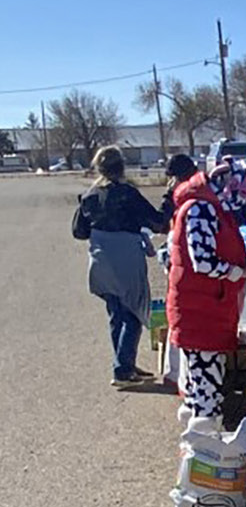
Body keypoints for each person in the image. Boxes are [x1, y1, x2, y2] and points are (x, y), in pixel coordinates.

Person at [166, 159, 246, 425]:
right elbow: (203, 262)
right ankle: (204, 449)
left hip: (205, 306)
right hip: (202, 310)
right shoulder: (202, 209)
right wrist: (242, 273)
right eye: (243, 195)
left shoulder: (208, 207)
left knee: (199, 387)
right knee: (206, 391)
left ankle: (197, 441)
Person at [71, 146, 169, 387]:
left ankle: (123, 363)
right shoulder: (127, 193)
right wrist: (169, 198)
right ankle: (122, 370)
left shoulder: (90, 195)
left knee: (116, 314)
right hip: (125, 259)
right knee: (133, 314)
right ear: (121, 167)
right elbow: (157, 222)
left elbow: (79, 231)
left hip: (100, 260)